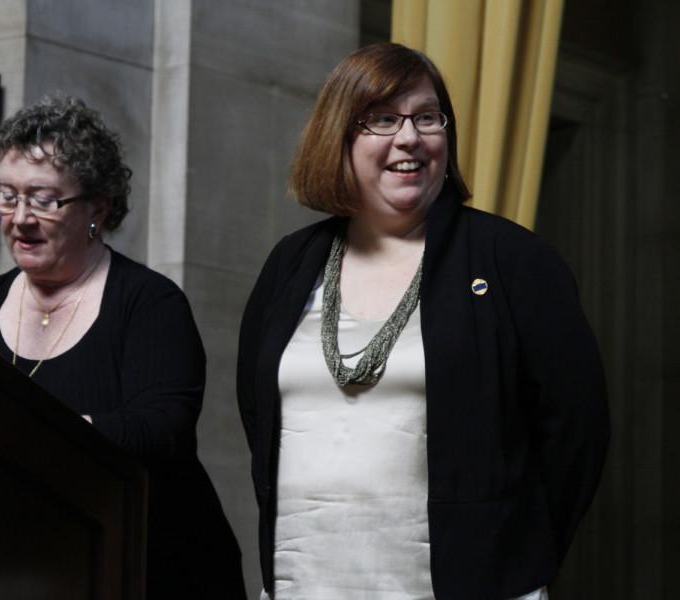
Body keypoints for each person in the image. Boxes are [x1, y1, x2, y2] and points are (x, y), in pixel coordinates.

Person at [237, 43, 609, 600]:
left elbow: (577, 432)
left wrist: (512, 560)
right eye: (382, 119)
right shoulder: (291, 264)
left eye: (427, 117)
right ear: (339, 134)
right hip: (303, 582)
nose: (409, 137)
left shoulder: (513, 261)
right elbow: (257, 411)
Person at [0, 94, 246, 598]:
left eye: (43, 199)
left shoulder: (149, 304)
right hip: (15, 570)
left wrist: (51, 437)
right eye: (7, 196)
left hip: (153, 570)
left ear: (97, 208)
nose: (20, 218)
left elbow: (162, 428)